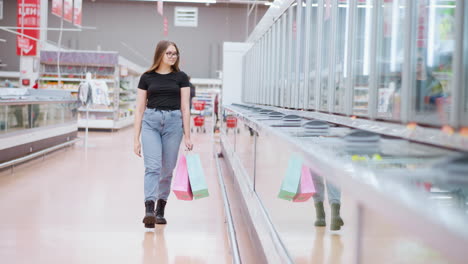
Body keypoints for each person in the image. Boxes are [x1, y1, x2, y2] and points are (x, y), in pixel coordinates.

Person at [134, 40, 193, 228]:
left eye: (175, 53)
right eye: (169, 53)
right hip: (151, 122)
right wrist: (136, 139)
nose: (172, 56)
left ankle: (161, 209)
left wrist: (188, 136)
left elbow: (185, 107)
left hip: (174, 124)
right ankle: (149, 210)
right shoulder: (146, 77)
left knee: (167, 169)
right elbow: (139, 109)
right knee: (152, 167)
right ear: (159, 54)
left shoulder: (182, 78)